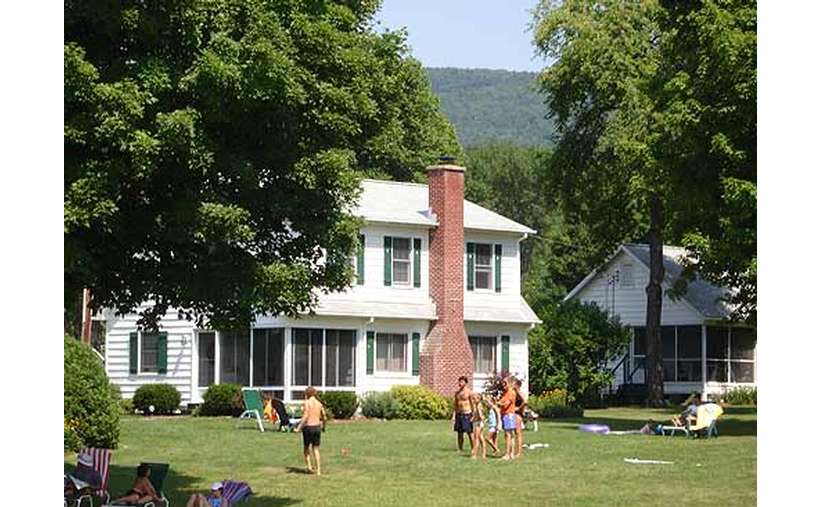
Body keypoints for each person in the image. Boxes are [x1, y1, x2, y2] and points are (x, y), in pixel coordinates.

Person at [294, 386, 328, 475]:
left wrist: (299, 427)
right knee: (316, 449)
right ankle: (319, 470)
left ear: (307, 394)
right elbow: (324, 417)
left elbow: (305, 416)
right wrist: (324, 426)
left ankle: (309, 467)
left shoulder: (307, 403)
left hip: (308, 427)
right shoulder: (319, 403)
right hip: (317, 427)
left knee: (306, 448)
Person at [497, 377, 518, 460]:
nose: (503, 385)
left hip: (508, 415)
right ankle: (511, 453)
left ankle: (507, 454)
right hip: (506, 415)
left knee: (508, 434)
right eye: (503, 383)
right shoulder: (505, 393)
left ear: (509, 383)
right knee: (510, 434)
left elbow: (506, 404)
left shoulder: (511, 393)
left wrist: (498, 403)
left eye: (505, 383)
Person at [451, 376, 474, 453]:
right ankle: (460, 448)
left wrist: (474, 415)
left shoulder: (469, 392)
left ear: (465, 383)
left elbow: (472, 404)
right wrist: (454, 415)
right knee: (459, 433)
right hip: (459, 414)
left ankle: (473, 448)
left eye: (462, 382)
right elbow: (455, 405)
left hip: (467, 413)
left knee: (469, 432)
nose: (460, 383)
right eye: (459, 381)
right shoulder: (457, 393)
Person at [469, 393, 486, 459]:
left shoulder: (479, 406)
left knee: (476, 439)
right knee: (481, 438)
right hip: (476, 422)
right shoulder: (476, 406)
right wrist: (472, 418)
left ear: (478, 399)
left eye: (474, 399)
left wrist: (481, 418)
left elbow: (480, 415)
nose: (473, 400)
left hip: (478, 424)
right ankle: (483, 454)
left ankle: (474, 454)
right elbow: (476, 414)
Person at [513, 378, 527, 458]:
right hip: (512, 414)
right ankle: (514, 451)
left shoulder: (519, 393)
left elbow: (525, 401)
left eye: (514, 384)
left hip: (518, 414)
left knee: (518, 433)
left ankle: (519, 452)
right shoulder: (513, 393)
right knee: (513, 433)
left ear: (517, 385)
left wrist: (518, 408)